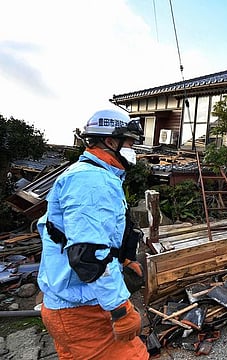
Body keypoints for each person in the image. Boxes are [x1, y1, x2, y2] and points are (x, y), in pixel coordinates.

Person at [37, 108, 149, 359]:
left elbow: (98, 236)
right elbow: (90, 256)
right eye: (130, 142)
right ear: (110, 141)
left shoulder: (93, 175)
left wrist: (125, 259)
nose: (134, 149)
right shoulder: (91, 182)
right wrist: (120, 309)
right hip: (81, 311)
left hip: (73, 305)